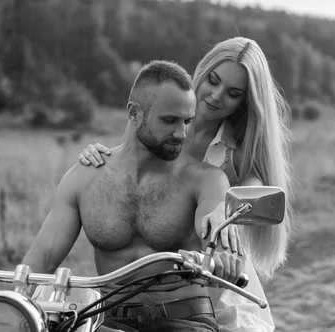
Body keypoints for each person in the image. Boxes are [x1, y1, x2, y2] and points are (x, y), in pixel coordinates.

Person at [76, 37, 295, 332]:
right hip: (136, 286)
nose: (217, 96)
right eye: (213, 81)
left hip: (211, 283)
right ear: (202, 71)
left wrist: (226, 209)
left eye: (232, 93)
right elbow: (129, 157)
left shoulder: (238, 154)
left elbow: (247, 198)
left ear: (245, 100)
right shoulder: (164, 110)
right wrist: (96, 154)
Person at [21, 60, 246, 332]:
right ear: (134, 112)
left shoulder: (206, 179)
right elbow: (41, 260)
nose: (182, 134)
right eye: (169, 121)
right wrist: (10, 306)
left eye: (187, 121)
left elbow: (219, 237)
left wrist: (224, 259)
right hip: (107, 321)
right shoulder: (84, 177)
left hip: (185, 321)